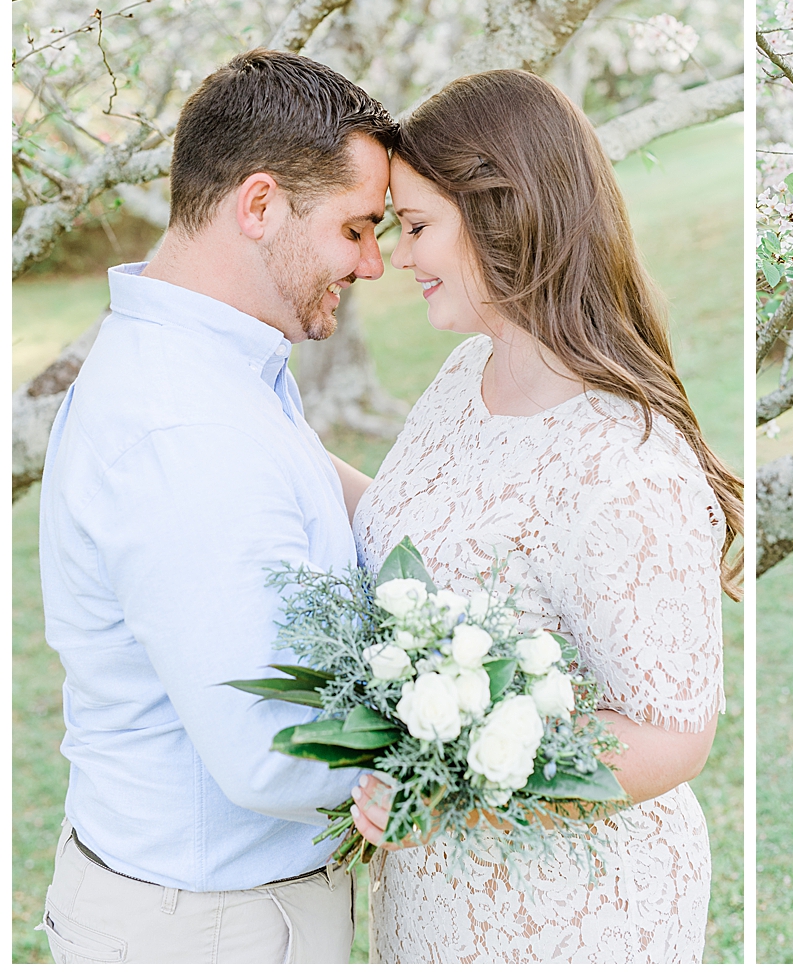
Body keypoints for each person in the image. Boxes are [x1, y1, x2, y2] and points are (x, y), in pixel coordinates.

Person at [338, 69, 741, 962]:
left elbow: (674, 737)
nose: (398, 257)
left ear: (502, 214)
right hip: (438, 894)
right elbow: (415, 537)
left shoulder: (626, 466)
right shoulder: (465, 376)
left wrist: (453, 785)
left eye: (416, 227)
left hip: (572, 914)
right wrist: (271, 439)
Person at [38, 48, 398, 962]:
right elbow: (273, 749)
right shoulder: (185, 427)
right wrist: (484, 728)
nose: (373, 263)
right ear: (261, 205)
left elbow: (324, 497)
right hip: (209, 930)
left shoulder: (218, 368)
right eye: (357, 227)